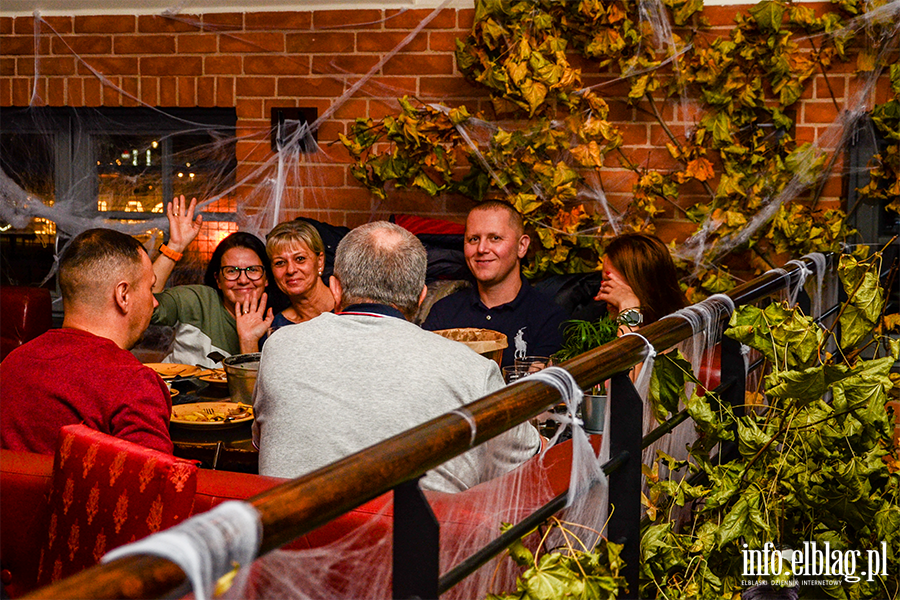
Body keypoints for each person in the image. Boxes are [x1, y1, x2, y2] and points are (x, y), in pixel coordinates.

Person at [253, 221, 541, 492]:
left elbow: (262, 438)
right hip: (415, 542)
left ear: (336, 288)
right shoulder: (473, 369)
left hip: (293, 540)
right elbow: (529, 457)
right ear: (421, 297)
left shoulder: (279, 346)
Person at [0, 229, 172, 455]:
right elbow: (151, 483)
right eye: (150, 288)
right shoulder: (132, 382)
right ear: (123, 295)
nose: (154, 302)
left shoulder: (11, 365)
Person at [422, 201, 567, 367]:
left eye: (495, 238)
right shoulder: (443, 313)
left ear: (521, 246)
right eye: (473, 239)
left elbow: (540, 388)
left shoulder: (549, 318)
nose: (482, 249)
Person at [150, 196, 277, 366]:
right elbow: (145, 306)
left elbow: (257, 391)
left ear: (266, 277)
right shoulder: (198, 301)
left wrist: (248, 340)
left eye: (252, 270)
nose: (243, 280)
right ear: (218, 280)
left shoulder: (278, 323)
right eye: (232, 271)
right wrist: (175, 247)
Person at [594, 232, 687, 335]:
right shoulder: (597, 320)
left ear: (646, 284)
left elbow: (627, 350)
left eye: (611, 283)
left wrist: (629, 307)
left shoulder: (680, 331)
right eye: (603, 281)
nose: (601, 292)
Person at [263, 220, 335, 338]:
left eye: (300, 259)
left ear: (320, 262)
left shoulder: (349, 310)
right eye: (280, 262)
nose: (290, 270)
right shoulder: (277, 328)